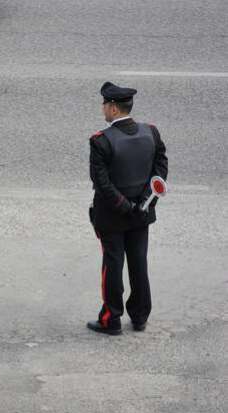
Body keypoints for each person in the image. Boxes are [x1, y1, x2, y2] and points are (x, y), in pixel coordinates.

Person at [87, 82, 168, 335]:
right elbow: (160, 172)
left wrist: (124, 206)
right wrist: (144, 203)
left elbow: (102, 184)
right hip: (141, 214)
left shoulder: (101, 141)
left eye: (104, 104)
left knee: (113, 264)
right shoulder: (151, 133)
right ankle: (140, 316)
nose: (103, 108)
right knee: (138, 263)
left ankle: (111, 319)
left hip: (112, 217)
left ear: (112, 108)